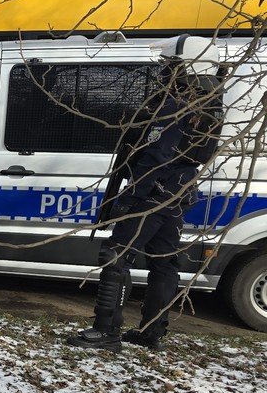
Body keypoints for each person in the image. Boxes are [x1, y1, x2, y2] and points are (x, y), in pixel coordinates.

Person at [70, 68, 218, 352]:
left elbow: (156, 155)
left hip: (153, 192)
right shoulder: (205, 104)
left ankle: (106, 330)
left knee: (116, 256)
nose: (162, 74)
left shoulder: (175, 106)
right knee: (164, 262)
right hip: (176, 192)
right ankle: (152, 332)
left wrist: (132, 196)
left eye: (168, 67)